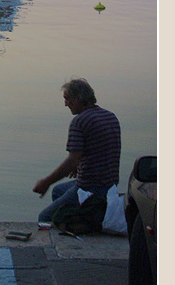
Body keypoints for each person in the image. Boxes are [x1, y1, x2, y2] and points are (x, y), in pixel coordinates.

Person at [33, 78, 121, 223]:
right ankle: (75, 220)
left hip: (90, 188)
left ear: (78, 98)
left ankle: (71, 233)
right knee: (58, 191)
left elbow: (72, 160)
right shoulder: (110, 117)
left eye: (67, 99)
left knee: (45, 218)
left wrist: (46, 182)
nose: (65, 104)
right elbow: (100, 150)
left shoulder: (80, 122)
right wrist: (80, 166)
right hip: (110, 185)